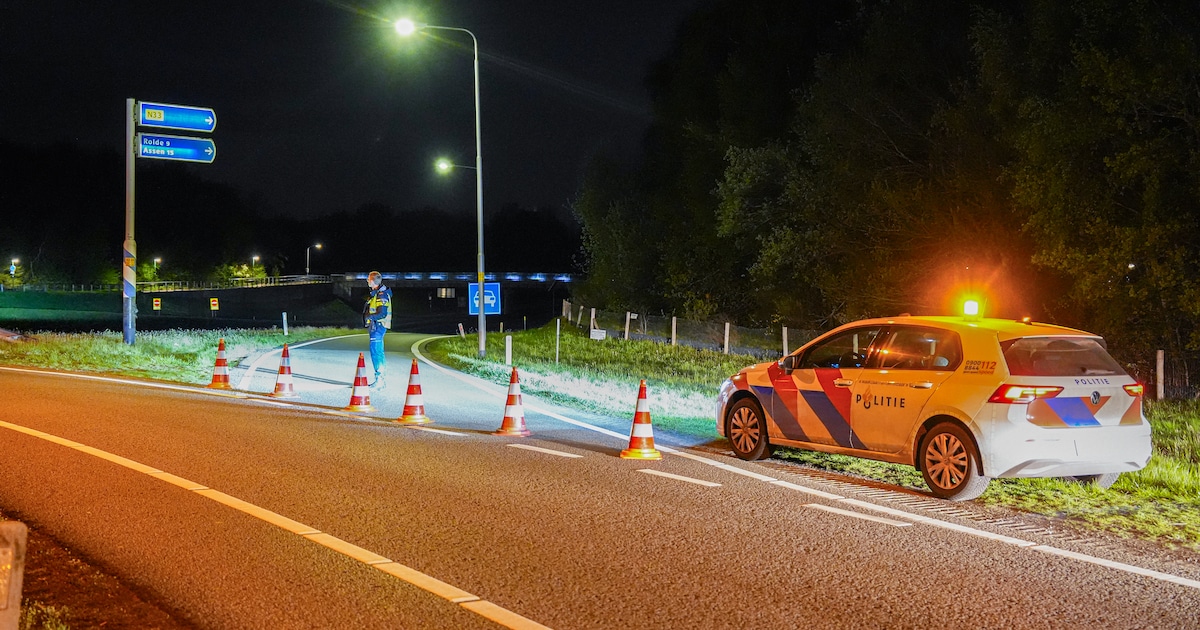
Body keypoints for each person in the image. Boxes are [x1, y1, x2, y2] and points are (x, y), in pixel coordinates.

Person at [363, 271, 392, 388]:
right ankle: (380, 378)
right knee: (377, 352)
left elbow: (382, 314)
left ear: (373, 280)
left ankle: (379, 379)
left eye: (368, 279)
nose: (367, 281)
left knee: (376, 352)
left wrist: (369, 317)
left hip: (378, 326)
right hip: (376, 326)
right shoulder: (377, 294)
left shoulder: (381, 295)